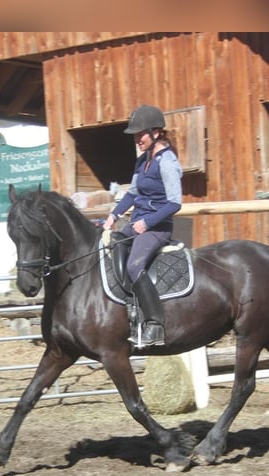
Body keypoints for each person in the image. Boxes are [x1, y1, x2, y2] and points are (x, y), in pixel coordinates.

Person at [103, 104, 183, 347]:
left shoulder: (167, 161)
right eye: (136, 135)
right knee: (114, 244)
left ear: (156, 132)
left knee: (135, 265)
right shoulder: (143, 161)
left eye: (141, 134)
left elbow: (174, 203)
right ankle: (129, 308)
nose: (137, 139)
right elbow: (132, 194)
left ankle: (155, 324)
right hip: (137, 221)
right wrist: (114, 216)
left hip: (157, 227)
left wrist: (146, 223)